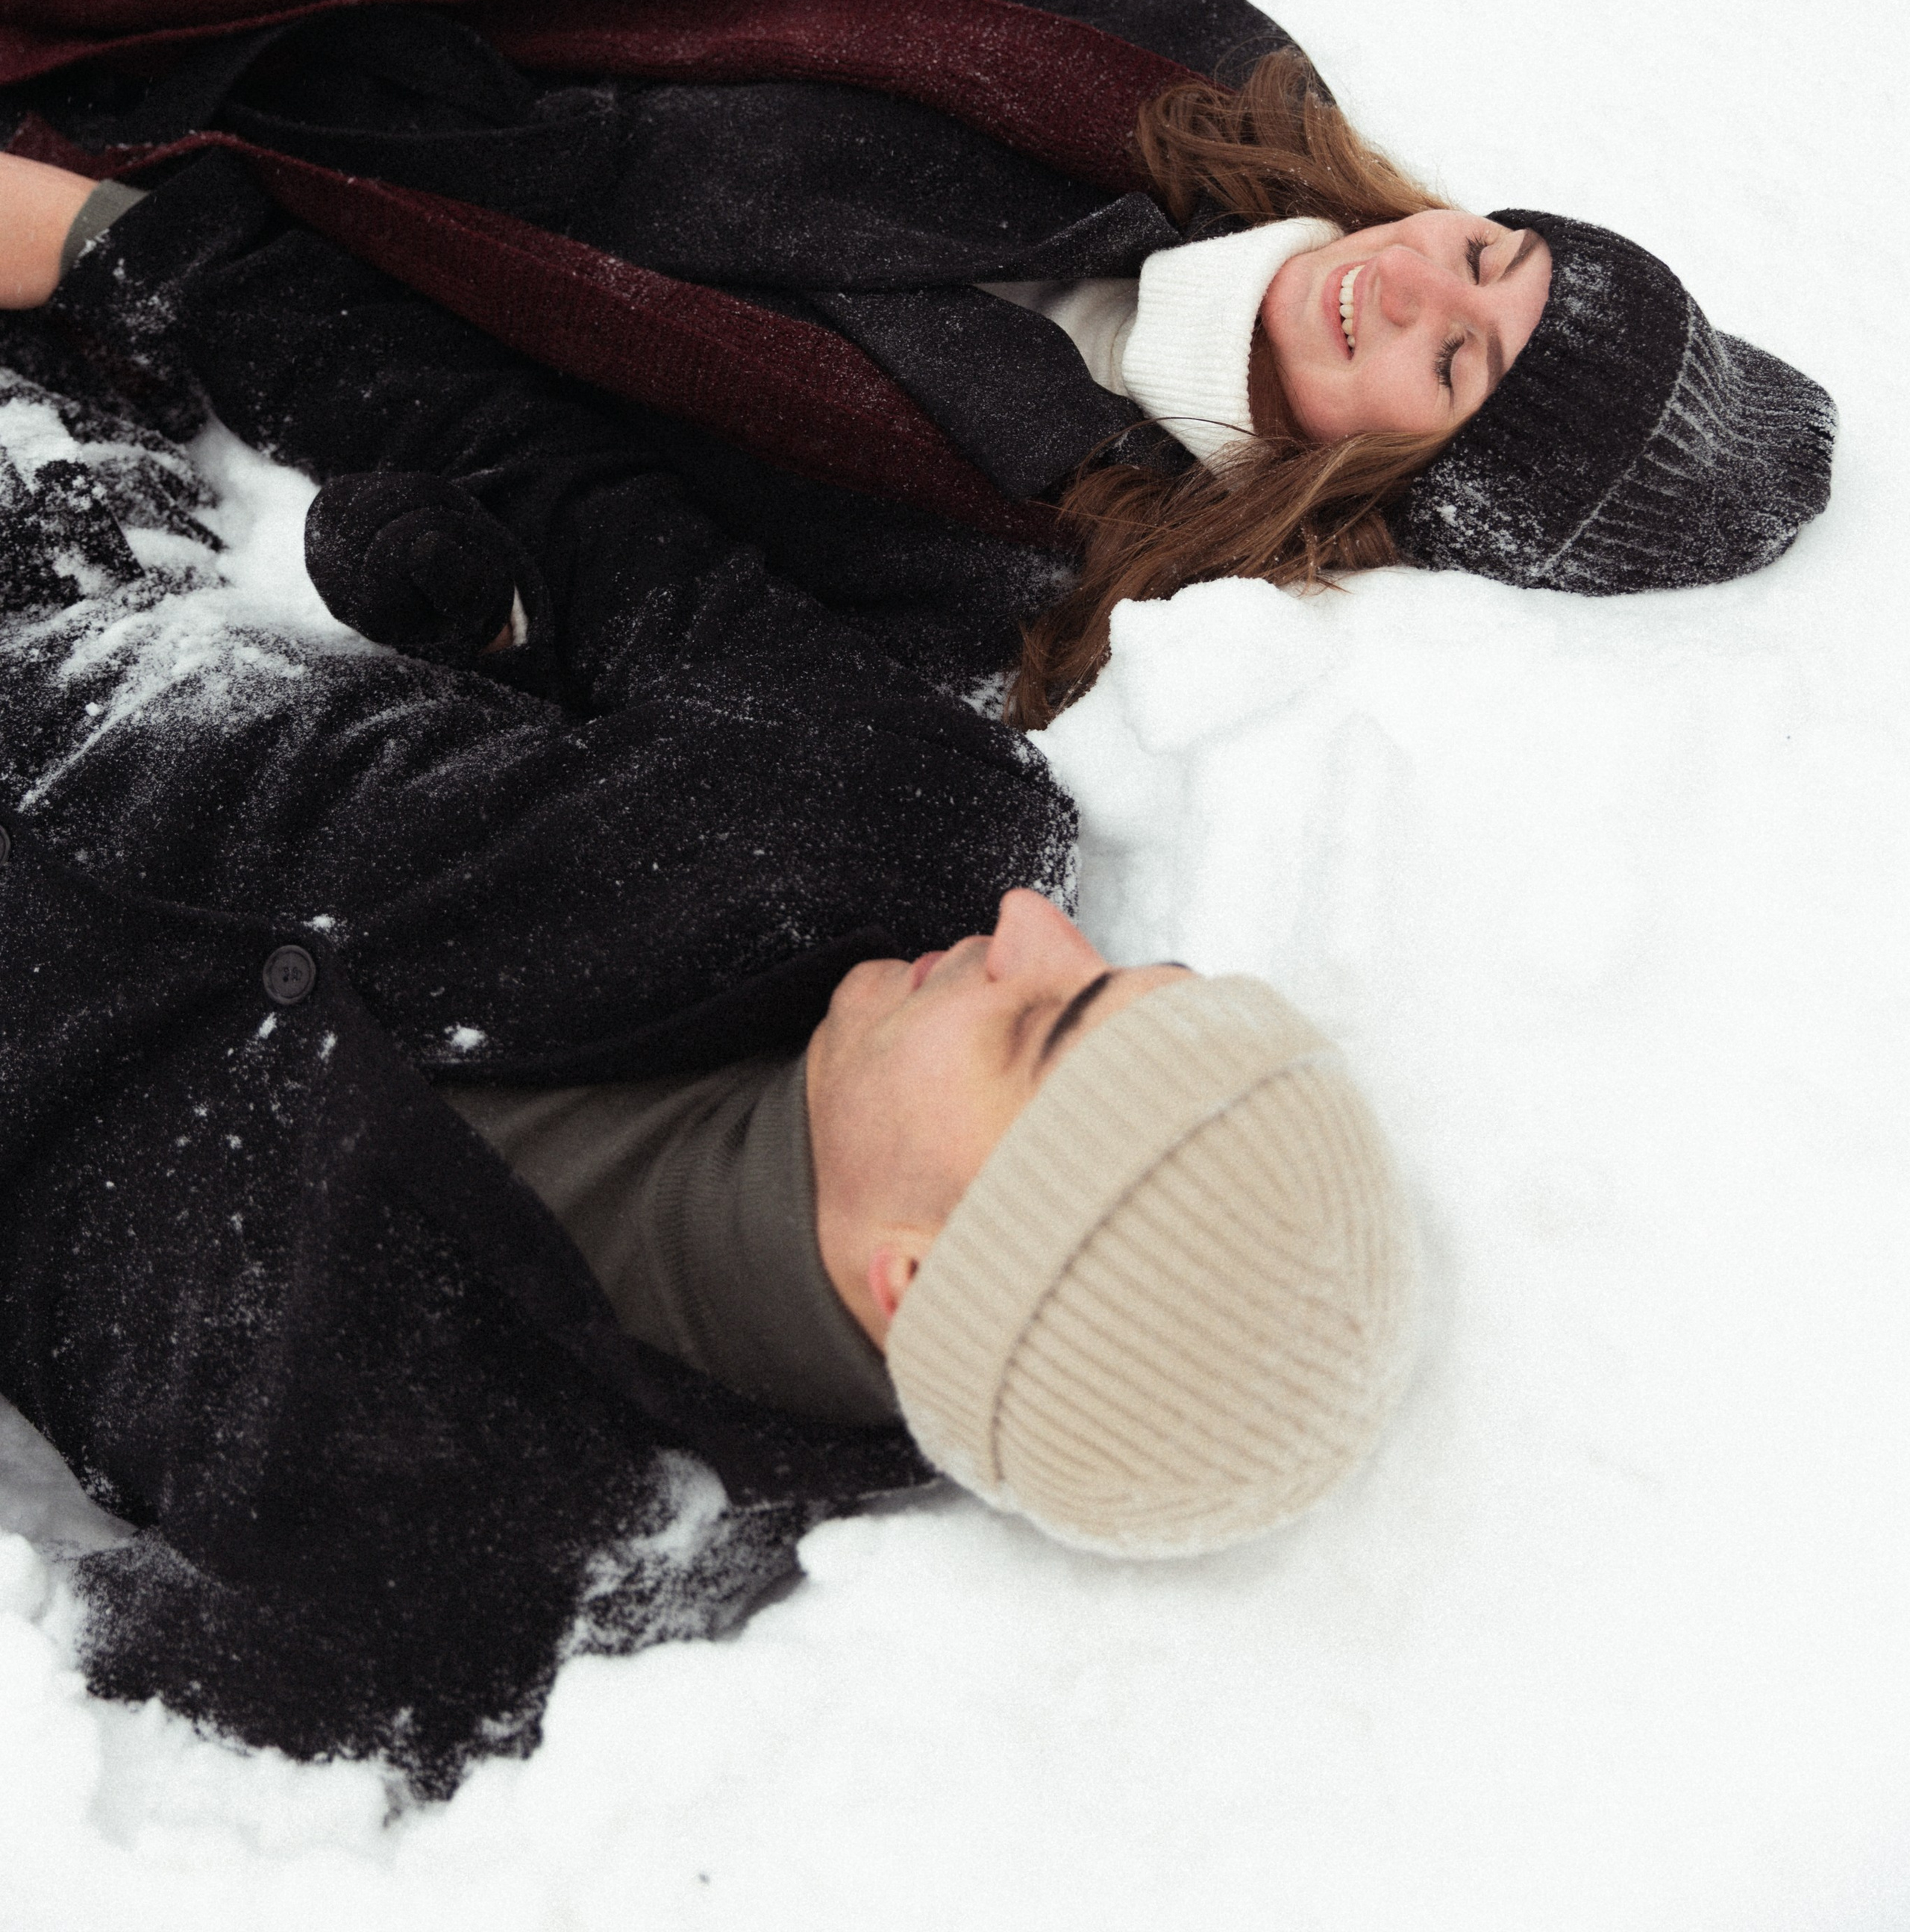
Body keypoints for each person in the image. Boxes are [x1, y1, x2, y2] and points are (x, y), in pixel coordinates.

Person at [0, 149, 1418, 1795]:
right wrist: (109, 243)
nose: (1035, 931)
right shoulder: (891, 829)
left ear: (912, 1279)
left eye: (1044, 1024)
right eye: (1108, 966)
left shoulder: (467, 1567)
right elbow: (527, 469)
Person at [0, 0, 1836, 742]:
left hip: (287, 242)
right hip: (402, 5)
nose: (1416, 291)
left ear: (1401, 480)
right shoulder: (1220, 119)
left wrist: (461, 586)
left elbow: (639, 599)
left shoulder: (1052, 566)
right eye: (1489, 257)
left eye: (1454, 367)